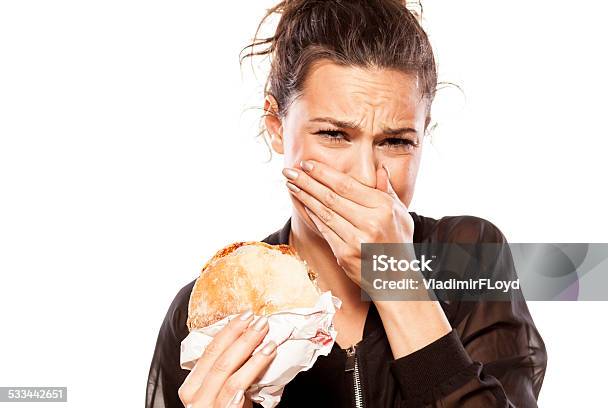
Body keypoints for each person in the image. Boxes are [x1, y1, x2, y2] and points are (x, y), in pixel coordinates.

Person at [146, 1, 547, 407]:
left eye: (396, 142)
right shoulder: (210, 310)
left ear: (424, 135)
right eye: (334, 135)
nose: (364, 175)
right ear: (276, 128)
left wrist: (396, 278)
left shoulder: (469, 257)